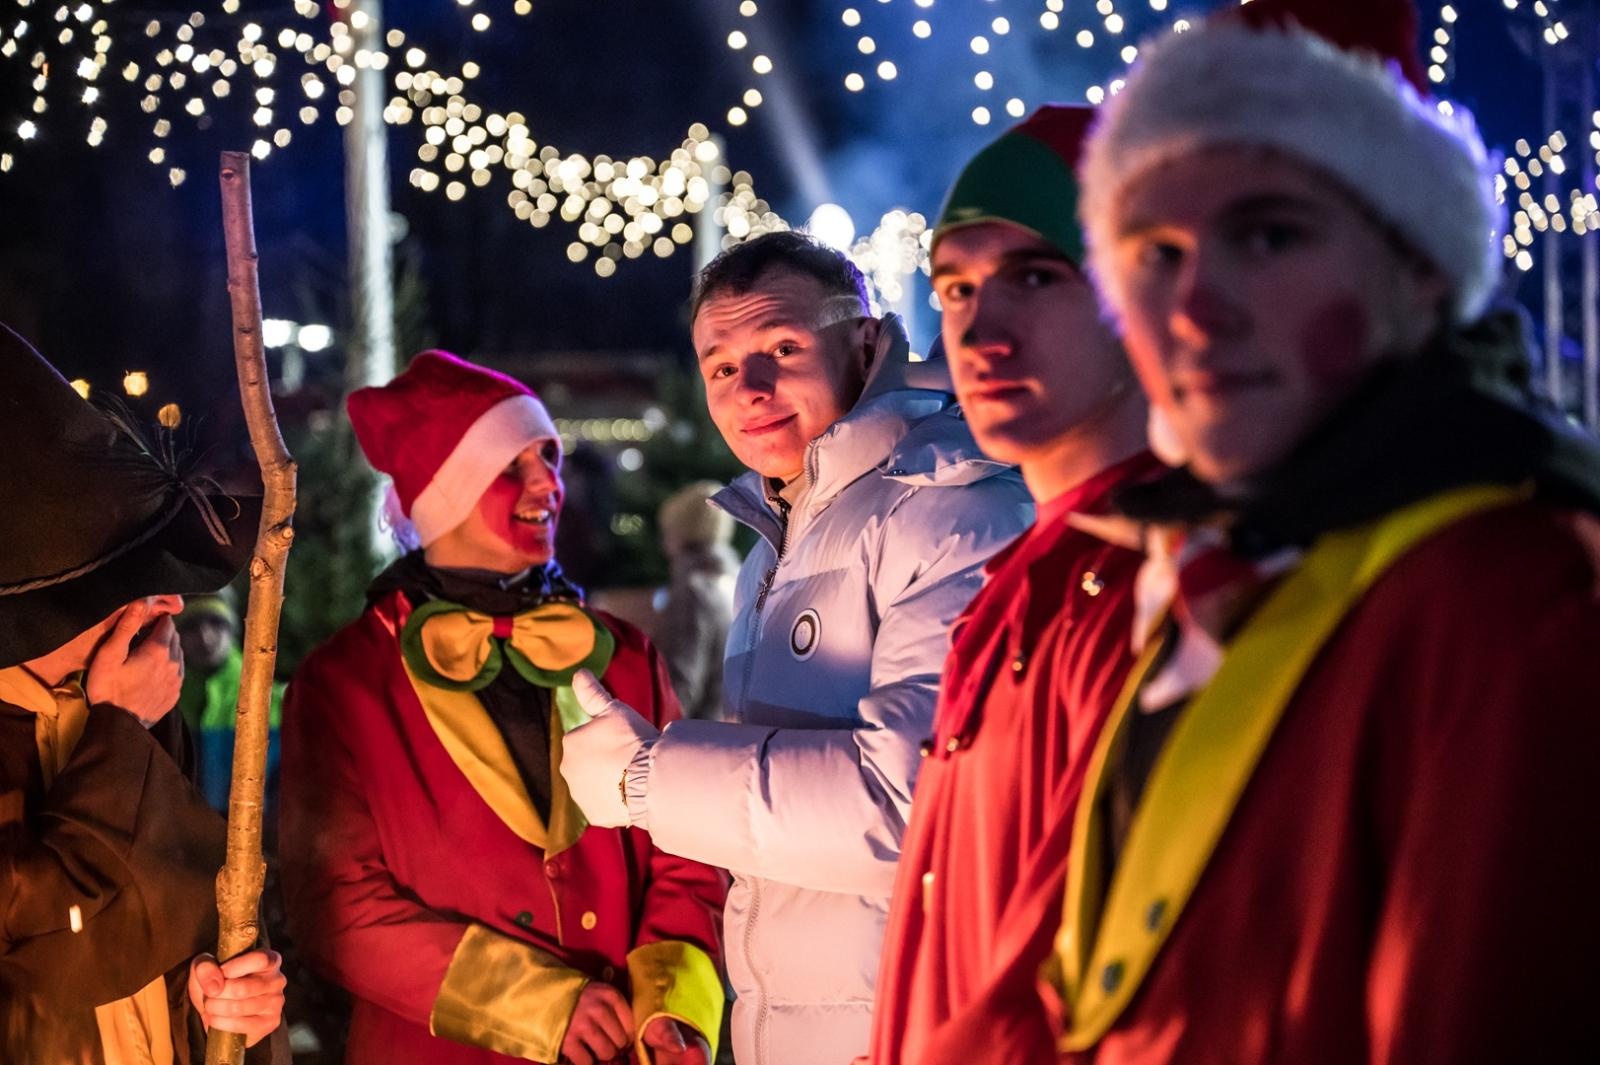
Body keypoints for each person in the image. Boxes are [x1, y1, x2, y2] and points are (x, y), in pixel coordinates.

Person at [1048, 0, 1600, 1061]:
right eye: (1154, 254)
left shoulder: (1508, 604)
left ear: (1420, 267)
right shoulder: (1226, 562)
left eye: (1267, 235)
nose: (1197, 309)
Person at [560, 232, 1034, 1065]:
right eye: (722, 366)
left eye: (783, 346)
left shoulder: (951, 510)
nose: (752, 387)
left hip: (917, 1027)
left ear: (862, 341)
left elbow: (913, 808)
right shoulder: (775, 545)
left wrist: (647, 780)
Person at [278, 350, 727, 1065]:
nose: (548, 482)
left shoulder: (627, 654)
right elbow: (334, 905)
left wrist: (674, 1007)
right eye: (510, 464)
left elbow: (690, 849)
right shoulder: (346, 682)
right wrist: (540, 1006)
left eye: (548, 458)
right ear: (445, 491)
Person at [864, 104, 1158, 1065]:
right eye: (953, 289)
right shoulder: (1017, 588)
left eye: (1035, 276)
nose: (979, 328)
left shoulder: (1153, 591)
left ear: (1130, 296)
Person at [0, 324, 286, 1062]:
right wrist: (118, 728)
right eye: (126, 583)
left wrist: (232, 1010)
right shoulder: (123, 713)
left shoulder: (134, 711)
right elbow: (42, 953)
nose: (167, 607)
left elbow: (179, 935)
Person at [174, 592, 285, 813]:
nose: (205, 636)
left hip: (256, 840)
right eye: (191, 626)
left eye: (216, 622)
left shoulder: (273, 700)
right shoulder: (163, 698)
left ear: (233, 628)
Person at [653, 480, 739, 723]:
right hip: (729, 730)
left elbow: (681, 680)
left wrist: (656, 741)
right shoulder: (734, 579)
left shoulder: (693, 591)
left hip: (697, 740)